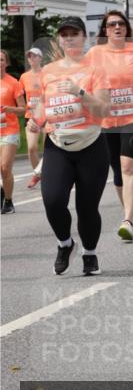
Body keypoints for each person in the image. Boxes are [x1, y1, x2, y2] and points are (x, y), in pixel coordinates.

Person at [26, 17, 110, 275]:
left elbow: (104, 108)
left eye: (74, 33)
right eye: (64, 35)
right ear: (58, 40)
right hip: (58, 144)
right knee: (52, 200)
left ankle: (90, 254)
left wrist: (79, 92)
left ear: (84, 37)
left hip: (91, 144)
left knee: (87, 208)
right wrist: (35, 120)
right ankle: (65, 243)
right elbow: (42, 103)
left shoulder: (96, 69)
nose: (69, 38)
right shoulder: (49, 71)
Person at [89, 10, 133, 242]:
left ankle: (127, 220)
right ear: (105, 30)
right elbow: (85, 81)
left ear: (127, 28)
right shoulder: (95, 53)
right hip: (107, 119)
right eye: (111, 25)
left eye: (121, 24)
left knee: (129, 166)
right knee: (117, 170)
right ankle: (129, 213)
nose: (117, 27)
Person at [1, 49, 26, 215]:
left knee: (5, 167)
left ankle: (8, 202)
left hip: (10, 129)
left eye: (2, 59)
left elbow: (24, 109)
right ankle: (4, 190)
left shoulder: (13, 83)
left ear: (6, 63)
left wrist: (10, 109)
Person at [18, 47, 45, 189]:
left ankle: (39, 173)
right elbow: (19, 94)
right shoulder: (24, 77)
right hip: (31, 117)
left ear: (40, 58)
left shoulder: (47, 73)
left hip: (47, 116)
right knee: (31, 148)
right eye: (29, 56)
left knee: (49, 149)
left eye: (34, 56)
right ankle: (38, 174)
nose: (31, 58)